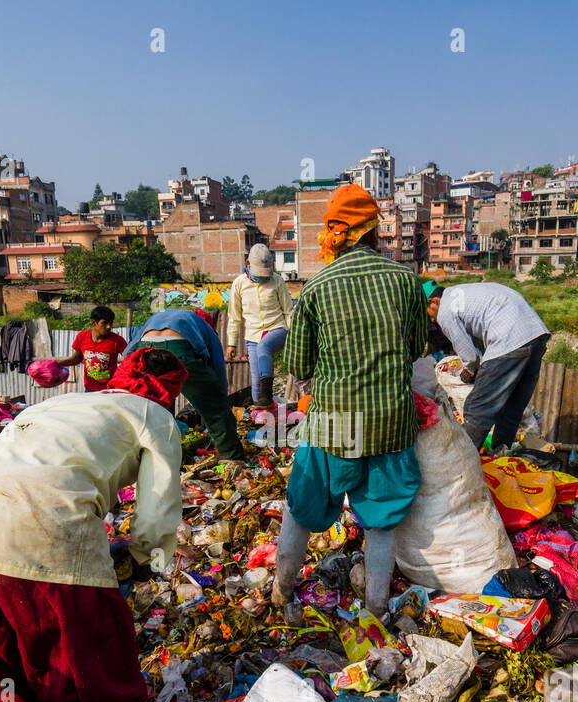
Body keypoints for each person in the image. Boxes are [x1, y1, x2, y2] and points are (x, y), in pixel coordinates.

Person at [0, 348, 188, 702]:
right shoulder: (157, 417)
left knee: (13, 646)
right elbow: (157, 509)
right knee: (94, 655)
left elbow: (70, 459)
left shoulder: (66, 401)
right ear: (169, 391)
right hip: (39, 520)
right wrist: (142, 561)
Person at [272, 184, 428, 617]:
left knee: (301, 508)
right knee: (380, 520)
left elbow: (299, 366)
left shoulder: (316, 286)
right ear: (375, 231)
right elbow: (417, 347)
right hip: (391, 421)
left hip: (332, 423)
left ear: (333, 234)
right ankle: (375, 610)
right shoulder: (405, 281)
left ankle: (282, 591)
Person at [423, 280, 550, 453]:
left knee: (477, 407)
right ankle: (501, 455)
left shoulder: (445, 310)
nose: (432, 319)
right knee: (512, 408)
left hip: (510, 339)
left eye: (429, 314)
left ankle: (462, 463)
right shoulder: (462, 292)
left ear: (433, 302)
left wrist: (469, 372)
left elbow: (469, 355)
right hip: (537, 335)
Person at [124, 307, 244, 461]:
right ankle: (231, 457)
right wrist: (218, 401)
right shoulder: (205, 328)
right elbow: (218, 371)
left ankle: (151, 458)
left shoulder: (162, 315)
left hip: (146, 346)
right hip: (178, 346)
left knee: (156, 407)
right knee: (214, 406)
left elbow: (129, 350)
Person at [226, 243, 294, 409]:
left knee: (264, 346)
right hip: (252, 335)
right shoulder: (239, 284)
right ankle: (263, 413)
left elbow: (288, 310)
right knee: (256, 383)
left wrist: (293, 335)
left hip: (277, 329)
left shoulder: (277, 280)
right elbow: (234, 317)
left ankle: (266, 396)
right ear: (248, 265)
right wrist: (231, 343)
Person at [56, 305, 128, 392]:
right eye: (104, 323)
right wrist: (57, 364)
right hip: (89, 389)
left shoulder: (117, 340)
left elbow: (130, 360)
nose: (109, 326)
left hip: (110, 390)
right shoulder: (82, 337)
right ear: (94, 323)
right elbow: (77, 359)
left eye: (111, 323)